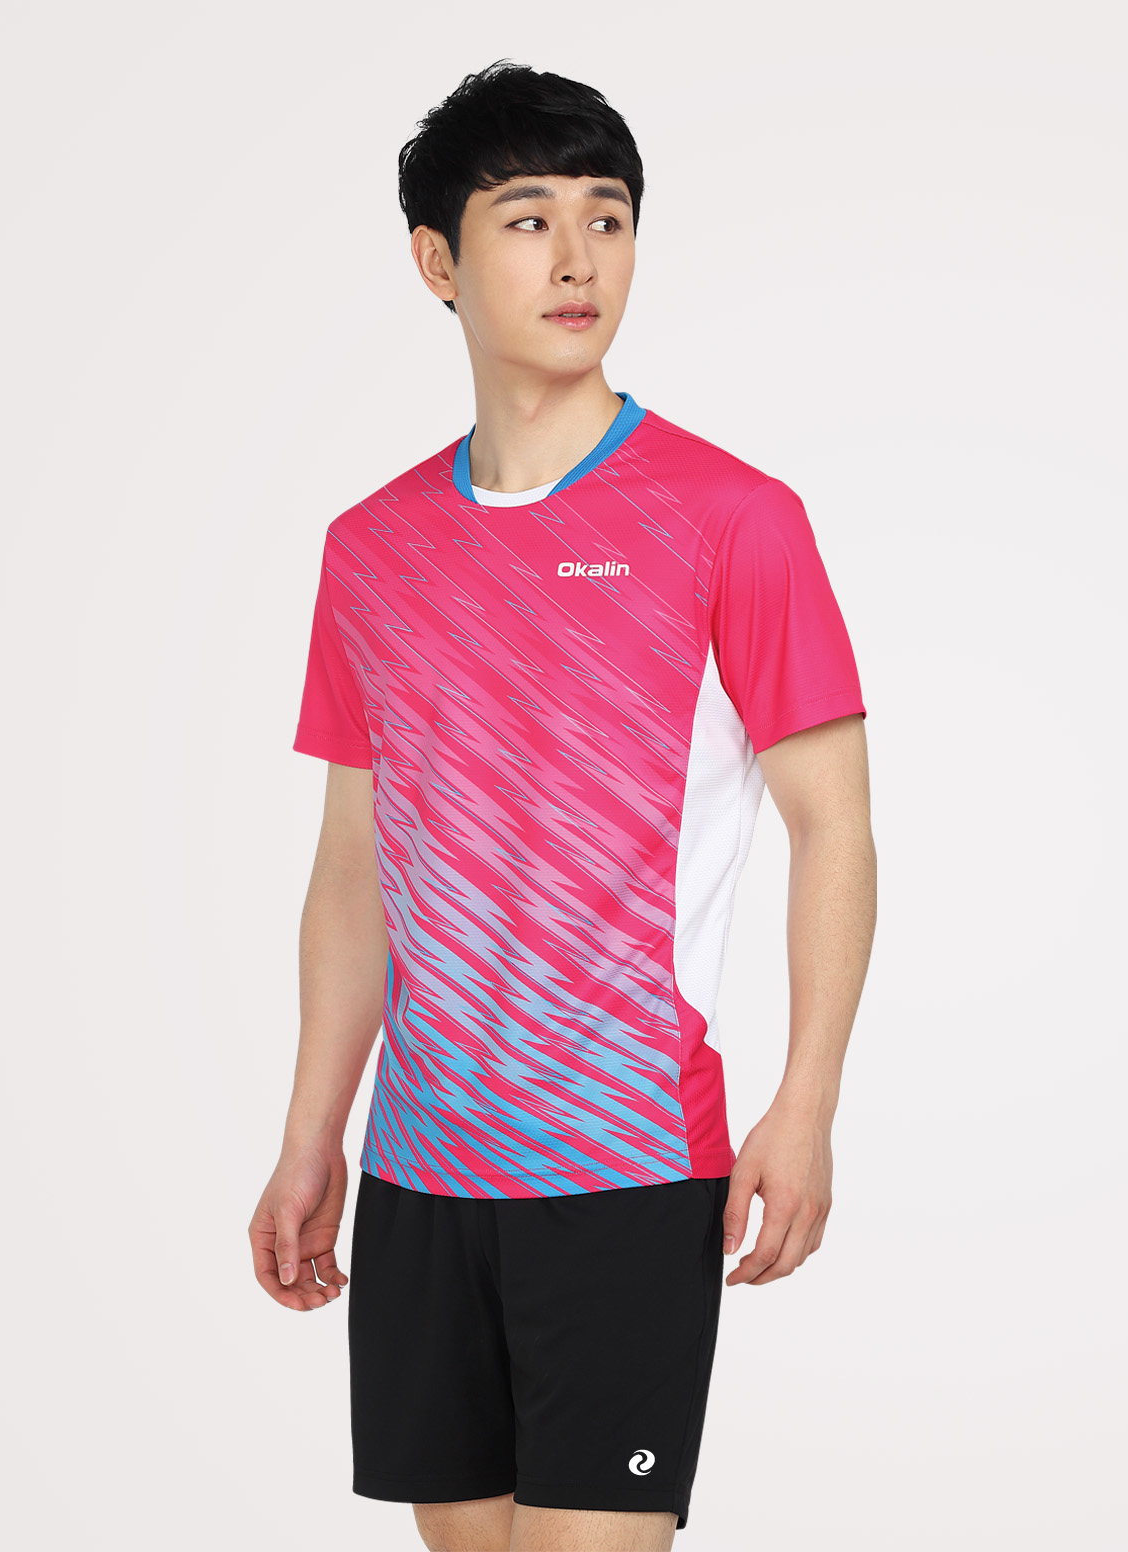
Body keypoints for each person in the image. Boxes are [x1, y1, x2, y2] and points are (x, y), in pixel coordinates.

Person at [249, 59, 877, 1552]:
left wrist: (805, 1104)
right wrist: (310, 1133)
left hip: (625, 1160)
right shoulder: (372, 547)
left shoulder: (733, 520)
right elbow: (354, 865)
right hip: (419, 1169)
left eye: (608, 216)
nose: (579, 257)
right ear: (438, 262)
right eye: (527, 220)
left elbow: (834, 828)